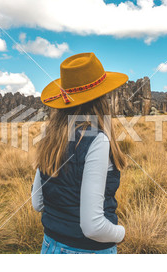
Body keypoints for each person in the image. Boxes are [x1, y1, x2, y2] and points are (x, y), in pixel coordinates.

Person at [31, 52, 128, 254]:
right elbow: (93, 227)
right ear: (101, 99)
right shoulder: (98, 140)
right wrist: (121, 233)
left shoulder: (49, 137)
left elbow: (37, 203)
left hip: (50, 246)